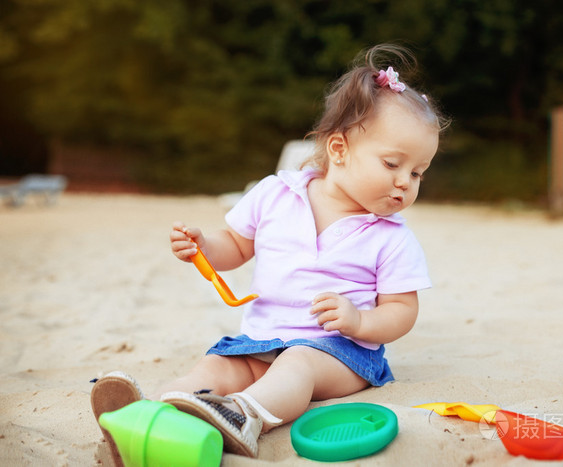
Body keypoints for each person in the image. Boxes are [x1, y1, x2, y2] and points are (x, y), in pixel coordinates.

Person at [90, 43, 448, 461]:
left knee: (297, 363)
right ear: (339, 150)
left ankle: (243, 415)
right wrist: (204, 247)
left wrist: (359, 321)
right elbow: (238, 245)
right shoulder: (277, 193)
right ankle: (149, 412)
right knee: (216, 367)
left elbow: (402, 310)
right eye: (393, 164)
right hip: (261, 338)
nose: (406, 182)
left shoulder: (390, 236)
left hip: (339, 354)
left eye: (418, 172)